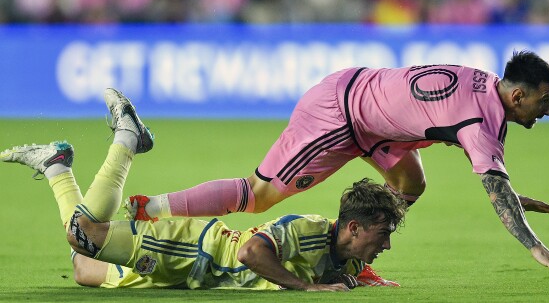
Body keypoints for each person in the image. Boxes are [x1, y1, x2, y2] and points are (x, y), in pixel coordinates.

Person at [127, 50, 549, 276]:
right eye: (544, 101)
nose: (548, 110)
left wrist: (511, 195)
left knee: (410, 182)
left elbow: (487, 169)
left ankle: (348, 264)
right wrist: (535, 247)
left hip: (375, 122)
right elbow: (488, 175)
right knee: (257, 195)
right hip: (339, 114)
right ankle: (152, 208)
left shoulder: (489, 93)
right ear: (517, 95)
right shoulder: (480, 117)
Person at [0, 88, 405, 291]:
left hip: (196, 272)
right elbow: (250, 252)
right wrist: (308, 288)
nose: (386, 246)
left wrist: (367, 279)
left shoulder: (348, 256)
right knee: (84, 237)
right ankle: (127, 139)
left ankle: (56, 167)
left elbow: (348, 270)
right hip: (194, 250)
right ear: (353, 228)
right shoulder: (309, 229)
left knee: (83, 266)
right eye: (382, 235)